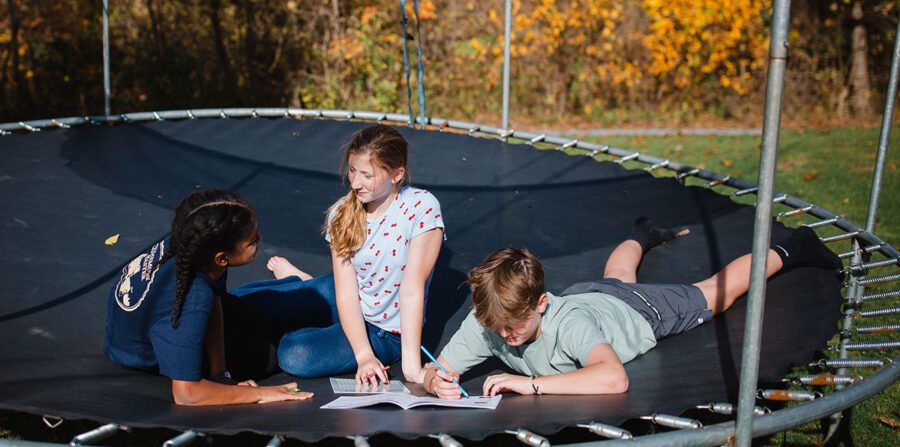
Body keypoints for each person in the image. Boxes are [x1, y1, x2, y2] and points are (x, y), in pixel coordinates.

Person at [422, 218, 842, 398]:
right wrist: (433, 382)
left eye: (514, 327)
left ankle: (793, 247)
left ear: (541, 303)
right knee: (617, 274)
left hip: (640, 311)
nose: (506, 336)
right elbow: (436, 369)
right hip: (593, 293)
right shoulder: (488, 320)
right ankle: (642, 234)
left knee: (715, 292)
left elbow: (613, 378)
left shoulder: (570, 326)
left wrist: (527, 385)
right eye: (498, 328)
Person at [234, 125, 444, 385]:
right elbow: (345, 292)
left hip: (384, 331)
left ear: (396, 174)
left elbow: (412, 289)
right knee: (241, 304)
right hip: (343, 293)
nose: (355, 182)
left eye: (367, 175)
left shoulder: (422, 208)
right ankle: (300, 281)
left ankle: (300, 289)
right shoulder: (343, 212)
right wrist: (362, 354)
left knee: (295, 354)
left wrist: (387, 361)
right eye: (353, 170)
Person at [104, 189, 314, 405]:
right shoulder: (192, 301)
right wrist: (259, 394)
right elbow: (186, 394)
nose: (259, 239)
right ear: (222, 258)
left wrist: (221, 373)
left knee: (263, 314)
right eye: (252, 240)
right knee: (266, 355)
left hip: (145, 329)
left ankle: (297, 282)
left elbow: (213, 299)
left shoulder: (196, 243)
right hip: (143, 354)